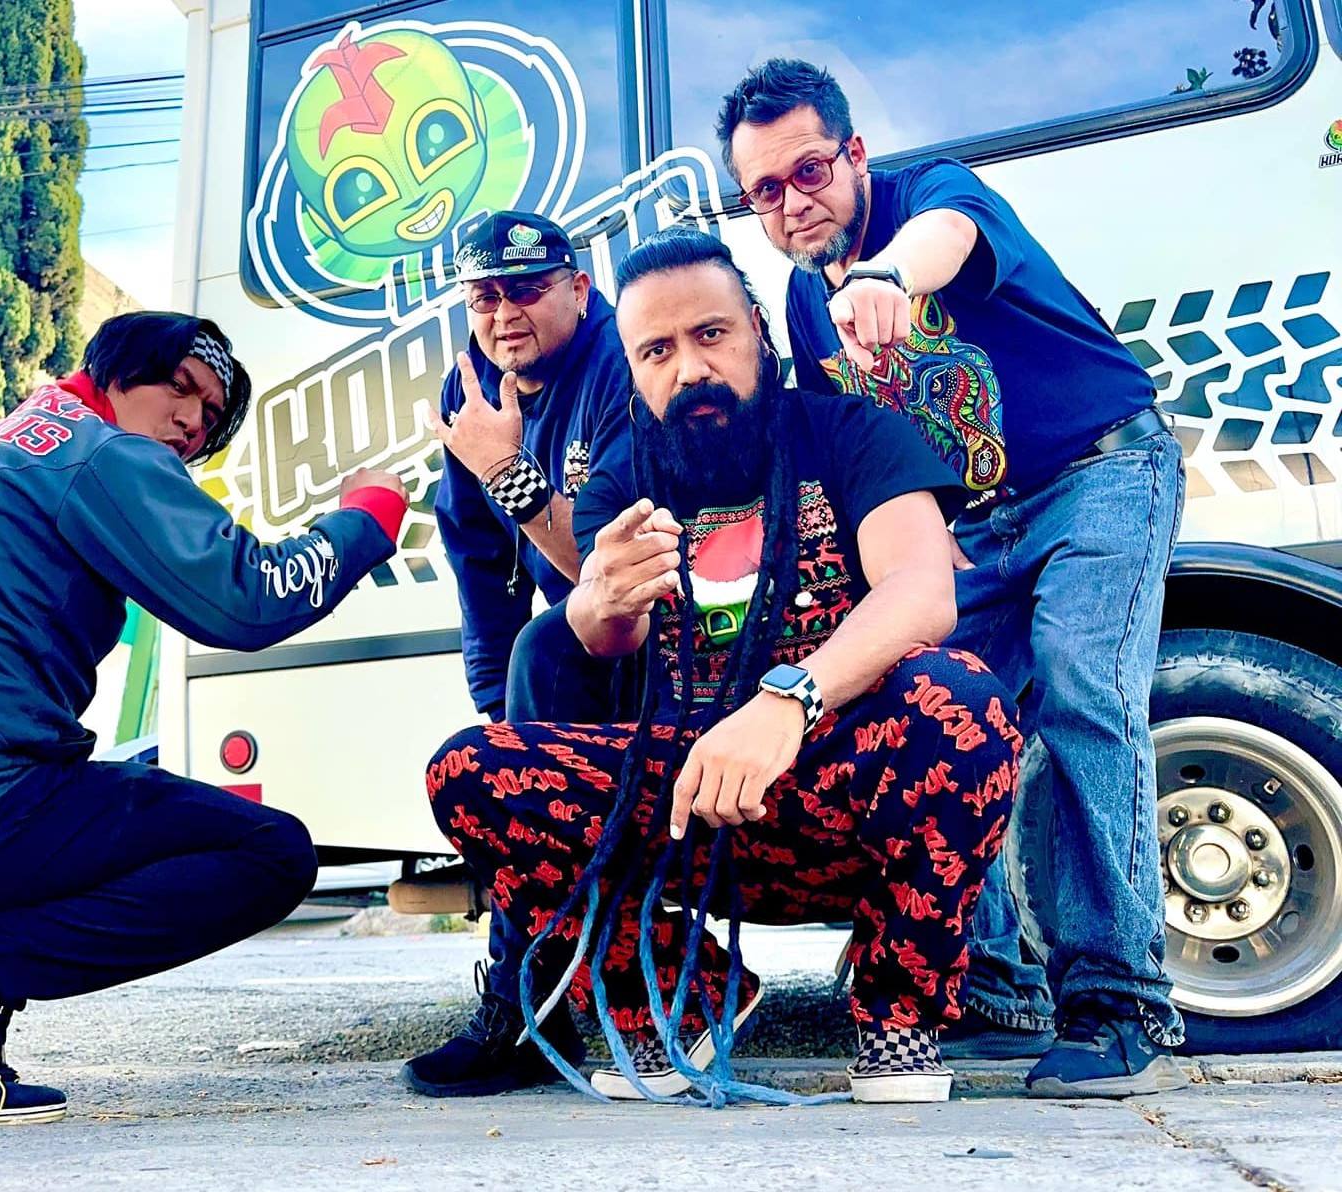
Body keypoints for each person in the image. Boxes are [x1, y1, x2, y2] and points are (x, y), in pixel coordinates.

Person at [424, 227, 1022, 1104]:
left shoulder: (849, 433)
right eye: (657, 351)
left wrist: (790, 700)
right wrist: (599, 601)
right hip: (685, 805)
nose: (690, 369)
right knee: (469, 771)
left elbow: (923, 593)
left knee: (963, 703)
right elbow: (599, 641)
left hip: (835, 794)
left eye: (711, 335)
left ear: (757, 332)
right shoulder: (621, 476)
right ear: (633, 369)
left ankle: (899, 1020)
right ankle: (683, 996)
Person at [0, 311, 407, 1127]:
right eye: (181, 388)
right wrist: (366, 518)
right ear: (117, 370)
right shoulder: (100, 452)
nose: (192, 422)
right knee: (267, 852)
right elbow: (245, 600)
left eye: (211, 419)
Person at [718, 59, 1188, 1097]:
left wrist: (890, 278)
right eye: (765, 191)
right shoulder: (801, 302)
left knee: (1082, 693)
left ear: (854, 155)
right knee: (938, 710)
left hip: (1100, 470)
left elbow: (948, 239)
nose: (794, 203)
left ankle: (1121, 1003)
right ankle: (996, 985)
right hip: (976, 526)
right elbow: (862, 444)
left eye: (809, 170)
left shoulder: (930, 196)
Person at [403, 211, 633, 1097]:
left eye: (527, 290)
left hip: (673, 629)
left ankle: (539, 999)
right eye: (483, 297)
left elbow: (615, 569)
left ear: (578, 287)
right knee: (509, 742)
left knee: (545, 647)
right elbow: (476, 557)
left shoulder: (621, 361)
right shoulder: (471, 390)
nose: (503, 316)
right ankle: (531, 1005)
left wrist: (508, 470)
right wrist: (493, 702)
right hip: (577, 640)